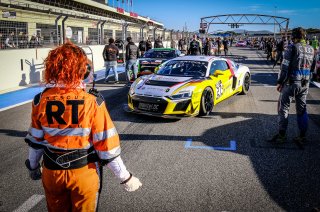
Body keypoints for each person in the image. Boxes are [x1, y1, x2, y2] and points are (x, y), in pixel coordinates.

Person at [24, 42, 142, 211]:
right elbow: (106, 145)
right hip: (83, 172)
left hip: (52, 173)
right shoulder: (93, 101)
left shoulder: (39, 100)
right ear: (83, 69)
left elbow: (35, 141)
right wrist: (125, 177)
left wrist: (34, 166)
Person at [268, 27, 315, 146]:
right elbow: (312, 67)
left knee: (283, 108)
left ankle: (282, 135)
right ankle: (302, 136)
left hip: (292, 82)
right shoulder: (311, 49)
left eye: (292, 37)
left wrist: (280, 82)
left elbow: (285, 67)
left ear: (294, 37)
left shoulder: (292, 47)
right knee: (302, 109)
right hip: (305, 83)